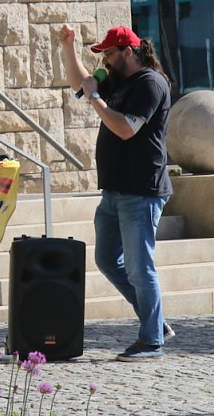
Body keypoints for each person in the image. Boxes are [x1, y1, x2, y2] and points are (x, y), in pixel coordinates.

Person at [56, 24, 173, 362]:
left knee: (139, 267)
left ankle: (151, 341)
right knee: (107, 259)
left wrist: (95, 97)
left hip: (141, 190)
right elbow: (80, 82)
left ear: (128, 52)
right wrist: (69, 46)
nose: (104, 60)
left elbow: (124, 129)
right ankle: (155, 320)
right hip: (114, 191)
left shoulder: (150, 83)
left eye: (109, 53)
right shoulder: (117, 79)